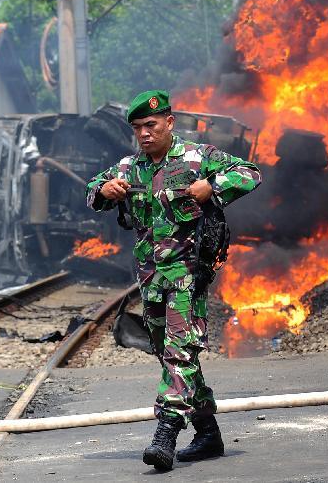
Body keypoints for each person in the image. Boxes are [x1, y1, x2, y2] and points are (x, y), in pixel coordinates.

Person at [86, 90, 261, 471]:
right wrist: (103, 190)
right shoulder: (129, 167)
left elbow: (251, 172)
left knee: (180, 350)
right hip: (150, 277)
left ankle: (165, 433)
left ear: (169, 122)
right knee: (168, 352)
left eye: (151, 125)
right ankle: (208, 431)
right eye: (137, 128)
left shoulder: (199, 157)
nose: (145, 134)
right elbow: (92, 191)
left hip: (186, 273)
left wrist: (211, 188)